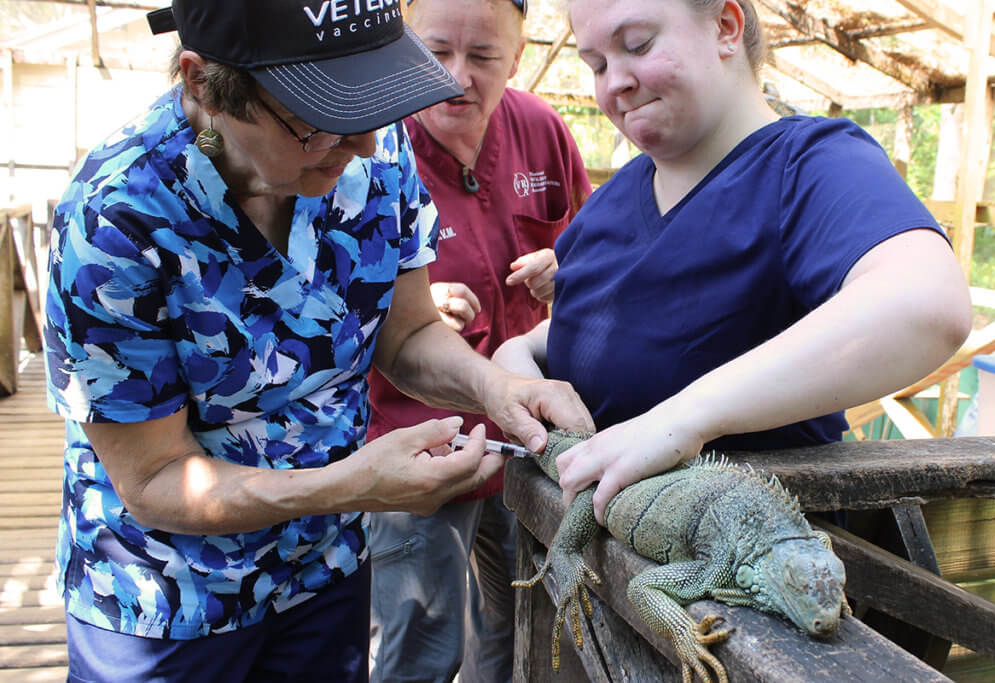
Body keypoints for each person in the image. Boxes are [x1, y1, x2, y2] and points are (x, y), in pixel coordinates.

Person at [41, 1, 594, 681]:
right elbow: (156, 477)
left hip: (324, 567)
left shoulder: (374, 148)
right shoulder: (116, 219)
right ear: (202, 83)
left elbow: (409, 333)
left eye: (372, 104)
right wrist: (352, 485)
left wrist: (496, 386)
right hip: (165, 596)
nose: (363, 145)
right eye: (317, 117)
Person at [492, 0, 973, 527]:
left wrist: (682, 419)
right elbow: (572, 335)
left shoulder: (807, 165)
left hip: (752, 576)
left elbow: (928, 303)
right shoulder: (609, 203)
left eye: (638, 46)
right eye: (597, 65)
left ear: (725, 26)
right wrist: (517, 364)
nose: (615, 84)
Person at [365, 0, 592, 680]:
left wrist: (570, 267)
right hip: (414, 443)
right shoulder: (368, 144)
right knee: (423, 640)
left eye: (483, 57)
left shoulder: (543, 132)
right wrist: (408, 305)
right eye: (436, 52)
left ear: (517, 57)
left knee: (520, 618)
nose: (455, 77)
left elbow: (598, 246)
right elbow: (318, 295)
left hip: (527, 443)